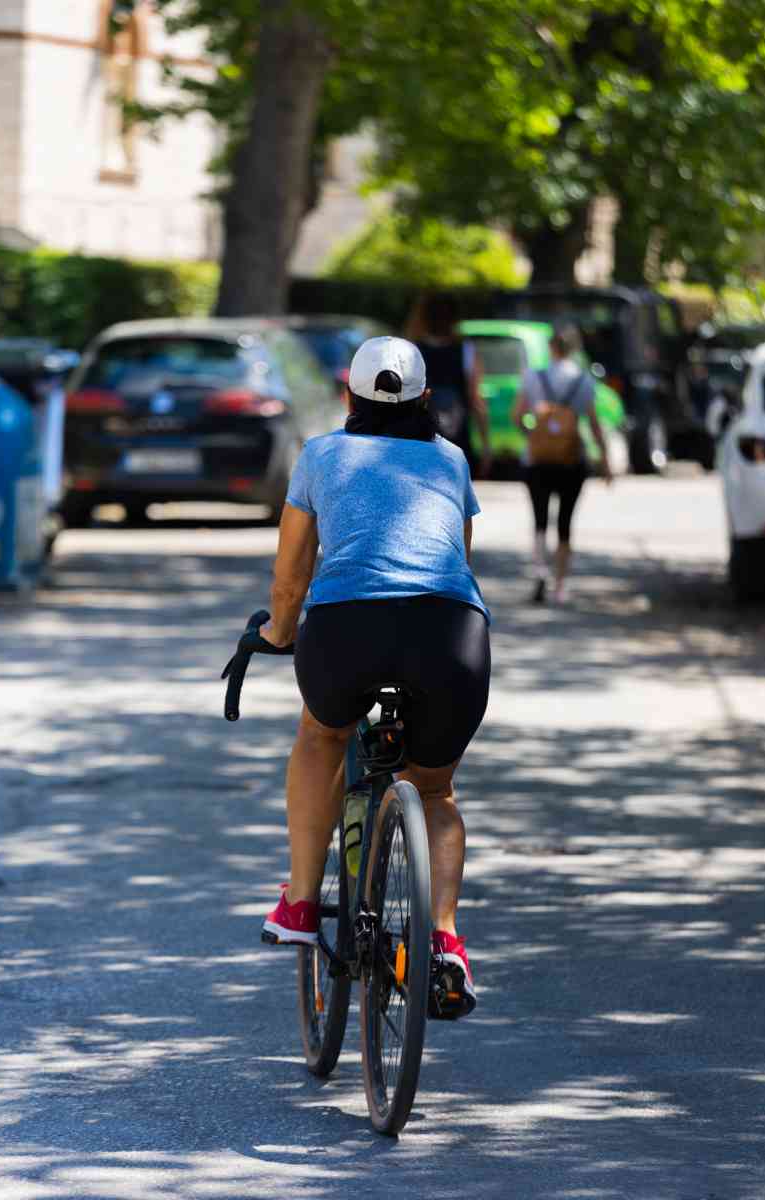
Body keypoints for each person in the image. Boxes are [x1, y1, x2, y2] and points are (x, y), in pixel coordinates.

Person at [257, 336, 491, 1018]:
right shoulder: (450, 460)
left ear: (348, 395)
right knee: (437, 791)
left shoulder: (321, 455)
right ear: (426, 399)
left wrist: (277, 632)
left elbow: (292, 575)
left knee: (322, 737)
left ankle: (301, 903)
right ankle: (444, 940)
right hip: (448, 634)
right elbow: (459, 563)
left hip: (346, 630)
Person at [514, 326, 612, 604]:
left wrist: (535, 436)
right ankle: (560, 585)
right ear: (575, 349)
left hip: (537, 461)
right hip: (572, 458)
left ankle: (539, 572)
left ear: (551, 348)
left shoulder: (534, 377)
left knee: (540, 520)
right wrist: (604, 459)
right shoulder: (584, 380)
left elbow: (517, 414)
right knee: (566, 522)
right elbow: (593, 424)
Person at [407, 291, 492, 477]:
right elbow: (477, 401)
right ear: (454, 319)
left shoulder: (411, 351)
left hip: (420, 443)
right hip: (458, 442)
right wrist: (486, 445)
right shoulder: (466, 351)